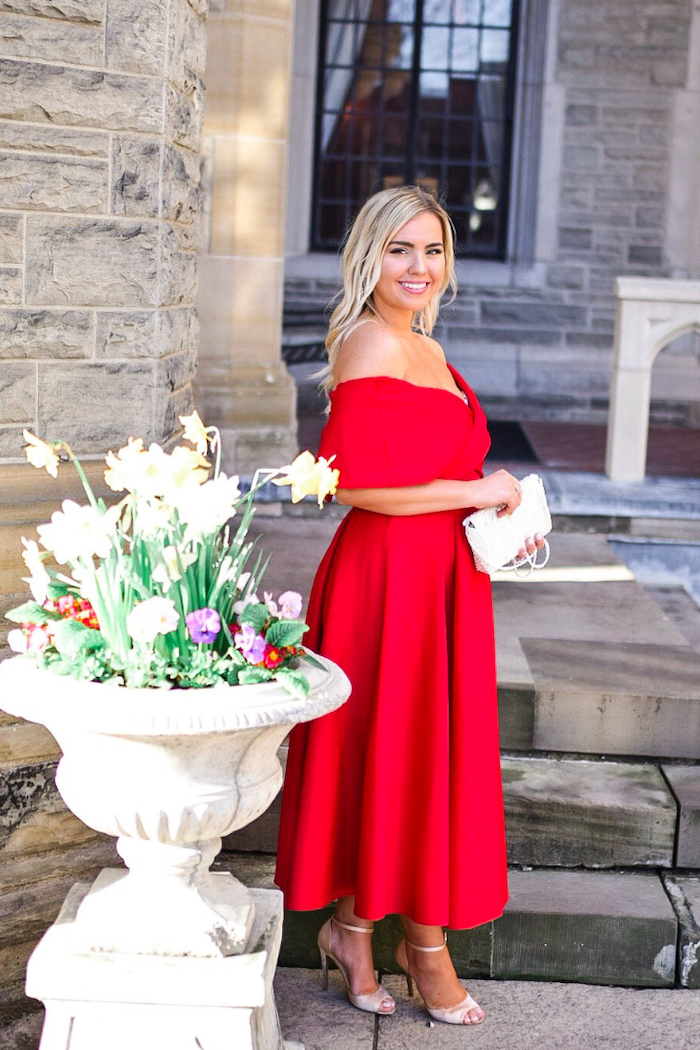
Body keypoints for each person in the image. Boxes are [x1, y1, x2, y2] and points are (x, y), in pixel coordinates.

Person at [274, 185, 543, 1026]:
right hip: (386, 585)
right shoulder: (367, 342)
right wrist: (478, 485)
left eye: (432, 250)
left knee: (418, 756)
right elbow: (353, 484)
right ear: (369, 255)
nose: (418, 266)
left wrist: (502, 513)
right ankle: (424, 949)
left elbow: (436, 477)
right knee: (397, 750)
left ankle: (356, 929)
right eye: (400, 250)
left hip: (444, 581)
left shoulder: (425, 345)